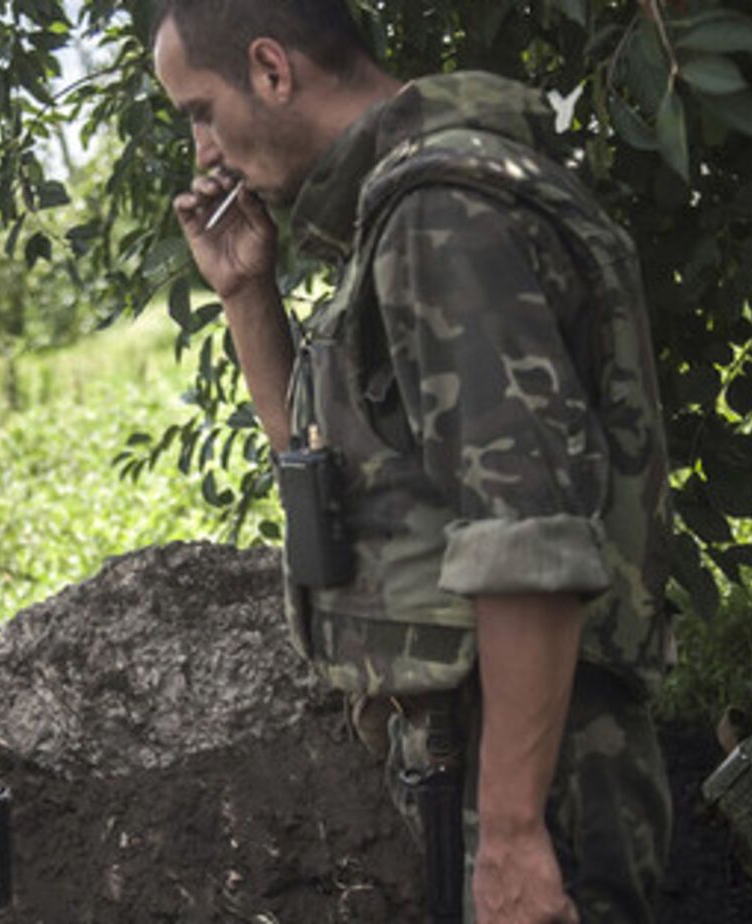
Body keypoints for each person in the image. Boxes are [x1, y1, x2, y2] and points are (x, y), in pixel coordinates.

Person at [149, 2, 677, 922]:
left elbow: (528, 537)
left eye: (200, 109)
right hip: (476, 760)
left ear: (271, 71)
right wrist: (245, 297)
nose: (202, 150)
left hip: (531, 770)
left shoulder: (443, 214)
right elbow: (338, 486)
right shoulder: (399, 217)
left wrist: (512, 833)